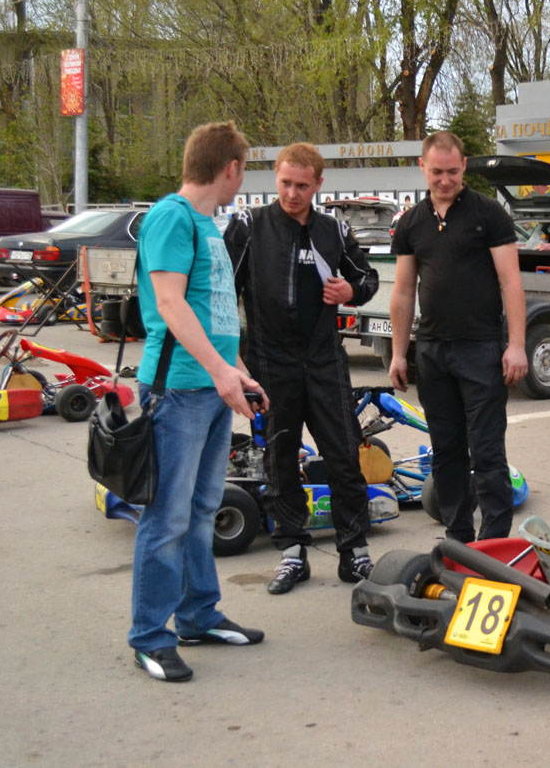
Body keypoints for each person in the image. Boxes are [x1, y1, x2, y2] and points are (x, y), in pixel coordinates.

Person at [129, 121, 266, 682]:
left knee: (203, 509)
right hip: (178, 391)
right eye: (244, 169)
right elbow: (169, 304)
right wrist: (218, 371)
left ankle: (198, 616)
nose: (242, 179)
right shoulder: (172, 216)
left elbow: (213, 313)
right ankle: (149, 636)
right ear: (230, 168)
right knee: (167, 518)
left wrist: (238, 371)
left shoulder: (208, 224)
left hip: (211, 387)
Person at [225, 142, 381, 595]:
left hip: (324, 360)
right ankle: (292, 552)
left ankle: (354, 552)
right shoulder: (249, 226)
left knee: (344, 455)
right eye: (286, 183)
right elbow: (221, 292)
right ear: (275, 178)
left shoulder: (333, 229)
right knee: (279, 460)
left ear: (318, 185)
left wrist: (350, 292)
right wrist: (231, 360)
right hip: (269, 362)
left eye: (302, 186)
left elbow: (367, 278)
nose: (293, 194)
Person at [388, 131, 528, 542]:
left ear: (464, 166)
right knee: (446, 451)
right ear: (423, 168)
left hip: (480, 349)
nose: (445, 180)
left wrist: (516, 345)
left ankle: (495, 541)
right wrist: (399, 354)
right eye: (437, 172)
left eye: (452, 172)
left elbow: (511, 282)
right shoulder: (411, 222)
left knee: (486, 451)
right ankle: (459, 536)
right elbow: (403, 291)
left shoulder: (489, 215)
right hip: (432, 351)